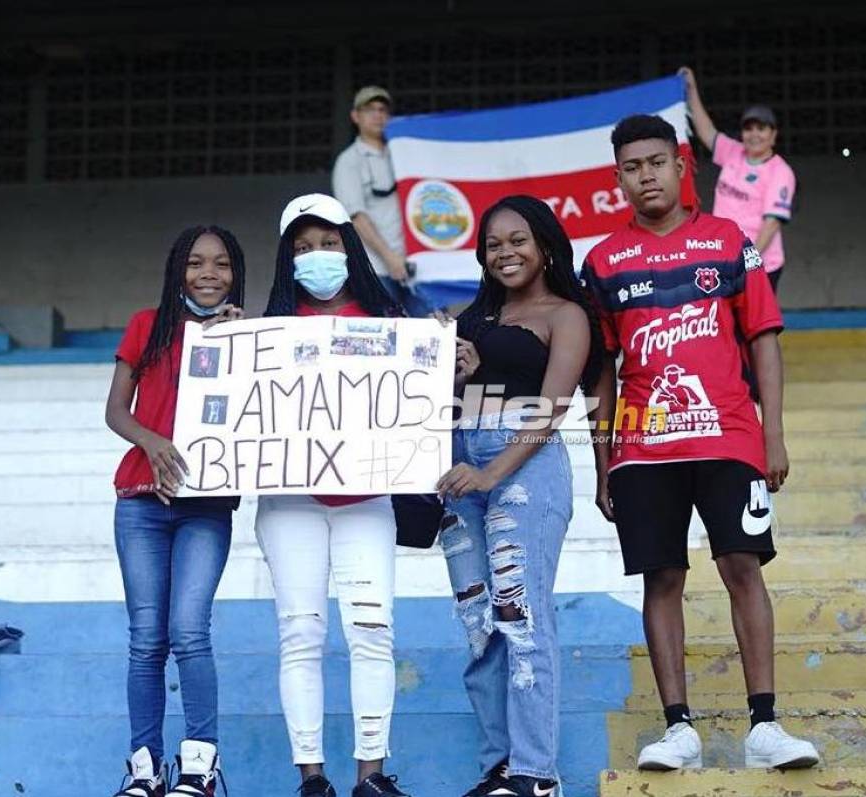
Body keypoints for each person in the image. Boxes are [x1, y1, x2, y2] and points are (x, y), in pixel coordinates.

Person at [582, 114, 819, 772]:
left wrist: (773, 433)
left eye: (656, 162)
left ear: (683, 165)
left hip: (729, 438)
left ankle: (765, 725)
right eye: (632, 167)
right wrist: (603, 459)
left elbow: (763, 338)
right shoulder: (602, 260)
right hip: (642, 448)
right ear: (618, 179)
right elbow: (601, 368)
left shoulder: (729, 240)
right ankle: (677, 727)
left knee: (742, 567)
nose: (645, 176)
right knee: (661, 577)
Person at [438, 196, 603, 797]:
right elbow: (433, 397)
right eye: (493, 244)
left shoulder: (566, 315)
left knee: (520, 615)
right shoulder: (467, 320)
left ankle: (536, 775)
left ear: (544, 247)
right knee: (480, 625)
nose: (504, 253)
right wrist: (450, 368)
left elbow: (553, 411)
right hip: (460, 466)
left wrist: (490, 474)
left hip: (524, 468)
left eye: (517, 241)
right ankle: (500, 769)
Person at [257, 193, 410, 797]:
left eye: (327, 243)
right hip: (289, 499)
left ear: (350, 247)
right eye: (302, 248)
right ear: (286, 259)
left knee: (373, 630)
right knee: (301, 631)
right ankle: (312, 777)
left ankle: (371, 774)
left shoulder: (392, 323)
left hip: (366, 497)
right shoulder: (261, 332)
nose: (317, 256)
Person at [104, 225, 248, 797]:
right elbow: (116, 411)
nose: (208, 274)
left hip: (206, 507)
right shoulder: (147, 324)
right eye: (195, 263)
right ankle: (144, 771)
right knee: (147, 639)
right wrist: (151, 443)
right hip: (141, 503)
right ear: (177, 270)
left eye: (221, 264)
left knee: (189, 632)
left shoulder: (251, 337)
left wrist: (247, 345)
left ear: (237, 273)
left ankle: (200, 767)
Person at [678, 67, 796, 293]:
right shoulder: (733, 152)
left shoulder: (780, 172)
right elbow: (706, 131)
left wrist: (747, 263)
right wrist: (691, 90)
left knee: (756, 327)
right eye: (748, 129)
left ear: (773, 135)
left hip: (759, 264)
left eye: (761, 129)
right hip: (724, 258)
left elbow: (771, 225)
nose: (754, 135)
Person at [332, 85, 436, 317]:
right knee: (388, 337)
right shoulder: (349, 160)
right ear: (355, 116)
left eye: (383, 110)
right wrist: (390, 258)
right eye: (370, 110)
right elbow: (356, 218)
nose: (378, 115)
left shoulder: (405, 154)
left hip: (418, 265)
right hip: (377, 267)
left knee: (434, 331)